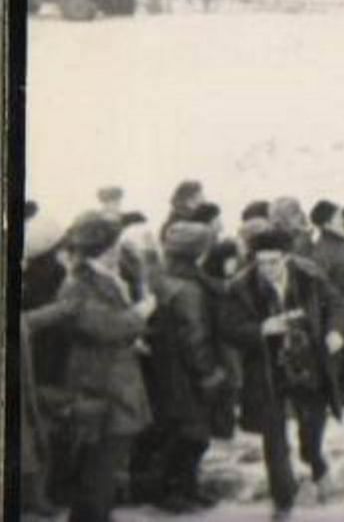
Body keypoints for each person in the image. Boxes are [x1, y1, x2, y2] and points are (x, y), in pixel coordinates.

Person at [219, 224, 344, 519]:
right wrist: (261, 329)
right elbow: (227, 327)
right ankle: (283, 498)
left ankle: (314, 459)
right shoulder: (240, 286)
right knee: (273, 436)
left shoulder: (309, 275)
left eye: (273, 262)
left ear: (287, 258)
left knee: (313, 421)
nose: (267, 269)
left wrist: (336, 331)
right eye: (261, 262)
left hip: (309, 361)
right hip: (266, 369)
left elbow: (338, 304)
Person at [51, 213, 156, 522]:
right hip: (102, 389)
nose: (117, 251)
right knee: (98, 474)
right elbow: (104, 327)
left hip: (114, 386)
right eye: (113, 244)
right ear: (105, 248)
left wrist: (133, 335)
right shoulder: (79, 284)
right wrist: (141, 313)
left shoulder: (104, 277)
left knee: (105, 473)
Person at [140, 220, 228, 513]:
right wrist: (208, 373)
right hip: (186, 373)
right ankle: (171, 492)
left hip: (164, 369)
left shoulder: (160, 277)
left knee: (177, 432)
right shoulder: (190, 289)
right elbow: (195, 337)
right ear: (198, 253)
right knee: (192, 436)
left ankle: (185, 489)